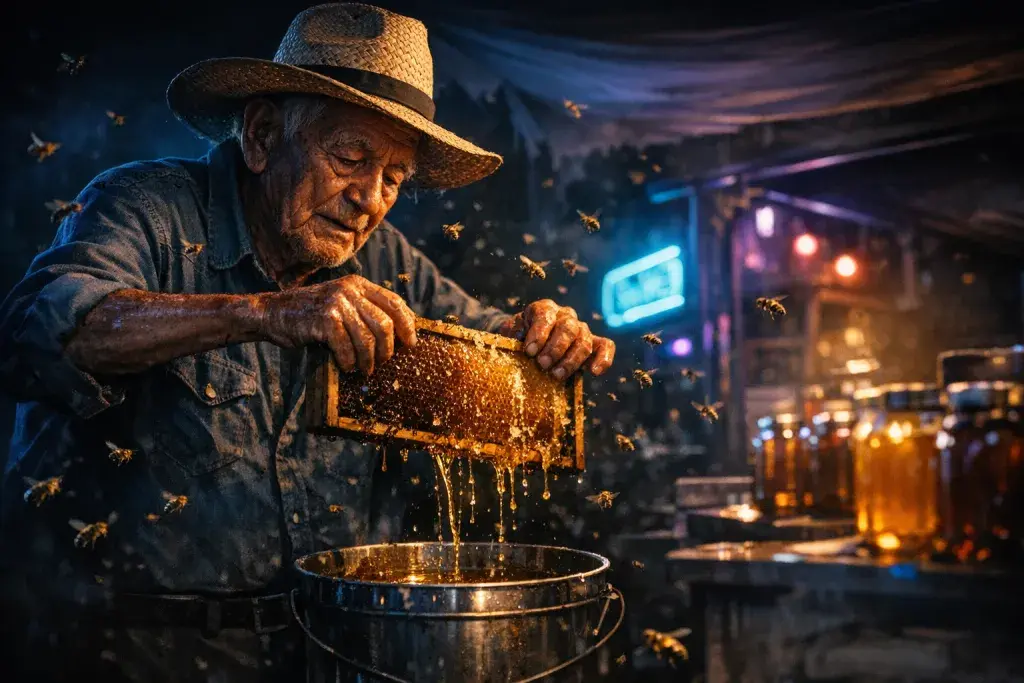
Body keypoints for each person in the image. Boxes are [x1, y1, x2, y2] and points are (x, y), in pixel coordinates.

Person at [0, 4, 616, 681]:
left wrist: (542, 335)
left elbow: (488, 345)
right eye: (351, 157)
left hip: (322, 650)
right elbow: (44, 331)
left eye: (395, 177)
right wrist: (265, 312)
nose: (370, 200)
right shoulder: (146, 209)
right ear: (262, 136)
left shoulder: (389, 263)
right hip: (123, 651)